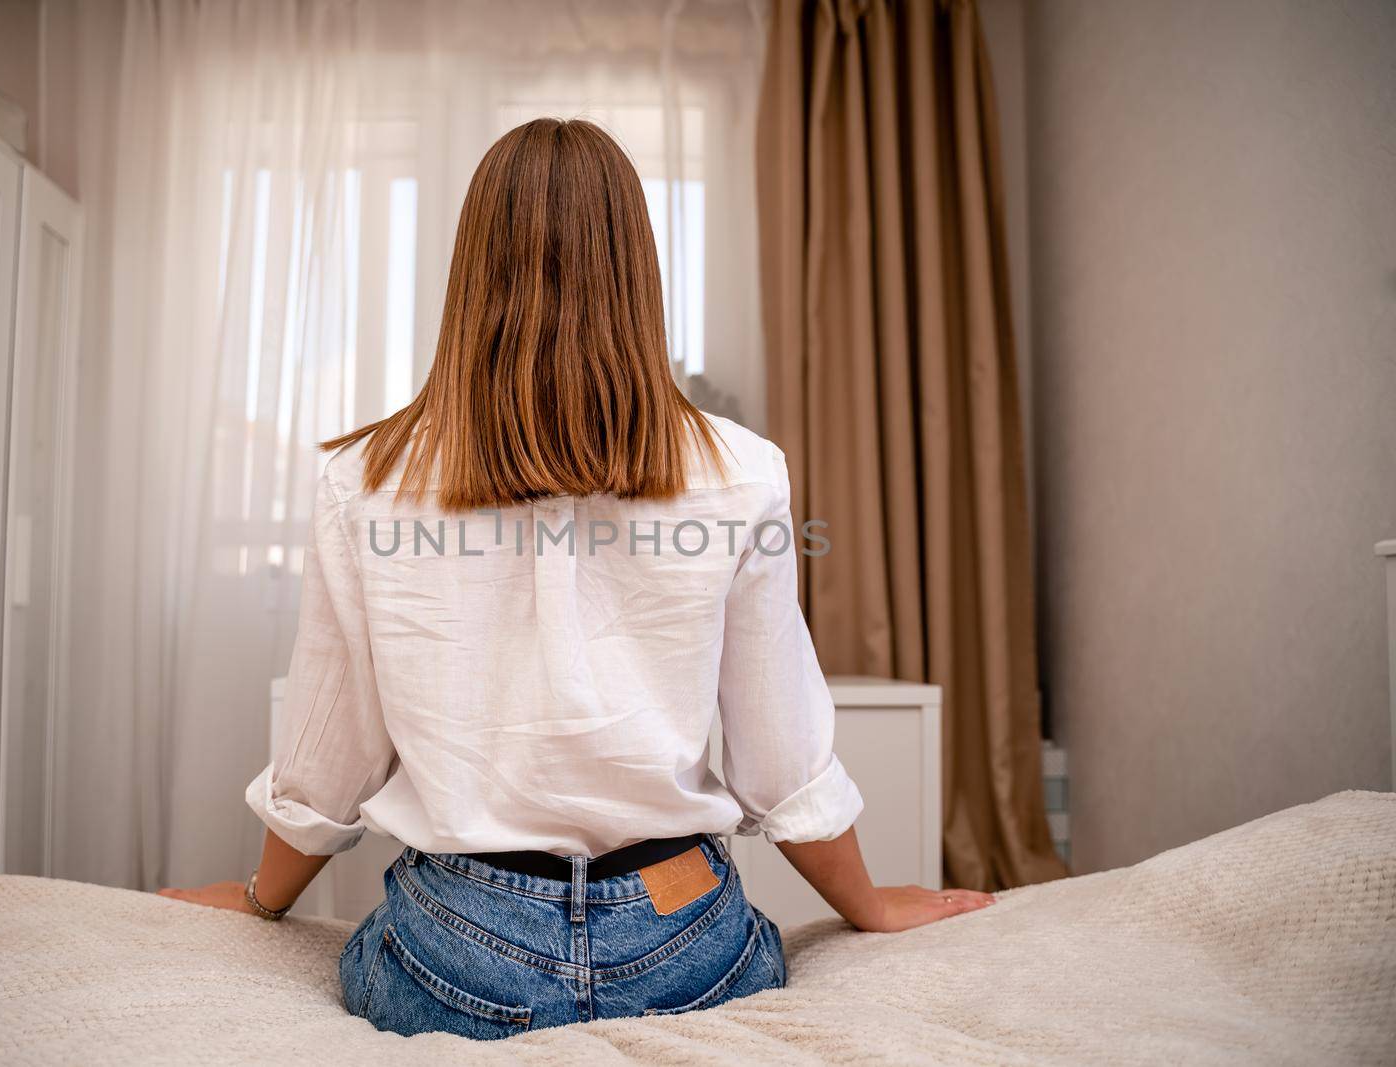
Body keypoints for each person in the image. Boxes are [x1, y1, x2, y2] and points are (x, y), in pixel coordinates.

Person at [160, 117, 993, 1039]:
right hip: (682, 932)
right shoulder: (743, 469)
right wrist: (867, 902)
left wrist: (259, 899)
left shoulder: (364, 481)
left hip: (457, 942)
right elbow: (779, 752)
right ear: (637, 273)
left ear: (473, 275)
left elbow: (332, 749)